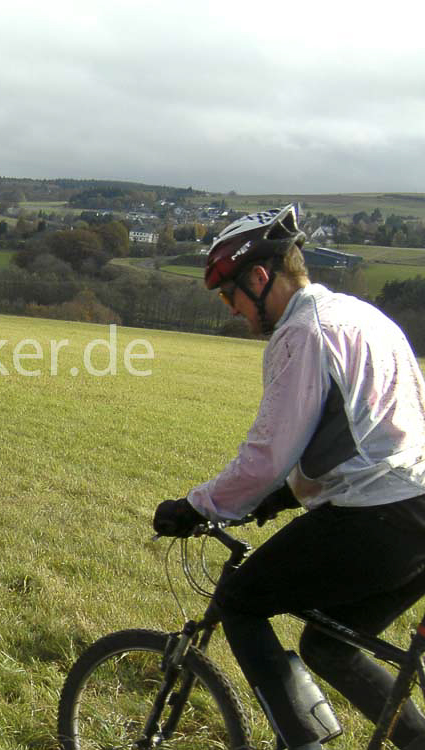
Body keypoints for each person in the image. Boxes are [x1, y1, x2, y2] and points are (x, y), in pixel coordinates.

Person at [153, 204, 425, 750]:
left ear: (259, 278)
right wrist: (282, 497)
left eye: (229, 295)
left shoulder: (303, 333)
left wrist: (195, 506)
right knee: (329, 647)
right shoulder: (363, 316)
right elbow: (362, 431)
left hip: (376, 518)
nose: (231, 309)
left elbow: (267, 454)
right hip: (416, 510)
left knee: (241, 600)